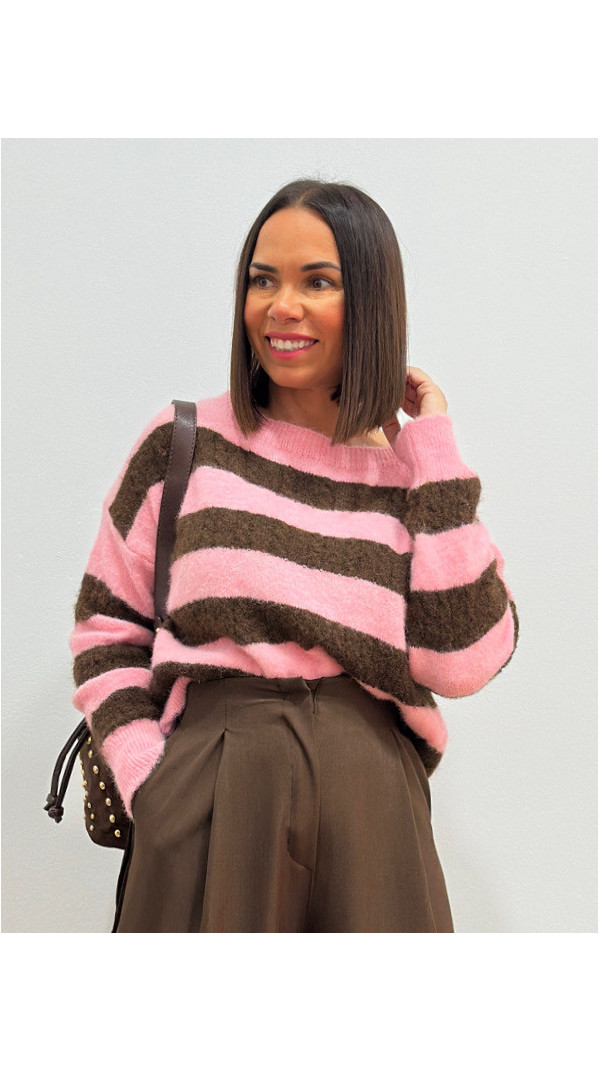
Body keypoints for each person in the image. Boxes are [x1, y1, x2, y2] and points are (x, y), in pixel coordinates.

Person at [70, 179, 518, 932]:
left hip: (373, 809)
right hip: (208, 795)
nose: (282, 306)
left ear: (371, 302)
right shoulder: (185, 444)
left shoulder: (416, 477)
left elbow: (466, 661)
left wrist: (432, 449)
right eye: (262, 280)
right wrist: (153, 780)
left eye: (317, 282)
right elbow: (106, 630)